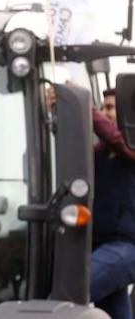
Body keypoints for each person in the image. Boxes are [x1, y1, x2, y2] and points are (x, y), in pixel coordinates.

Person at [88, 88, 135, 319]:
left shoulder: (130, 148)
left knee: (72, 291)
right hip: (101, 246)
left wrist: (83, 107)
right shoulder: (100, 154)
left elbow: (115, 138)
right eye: (102, 107)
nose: (105, 113)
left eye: (111, 108)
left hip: (125, 248)